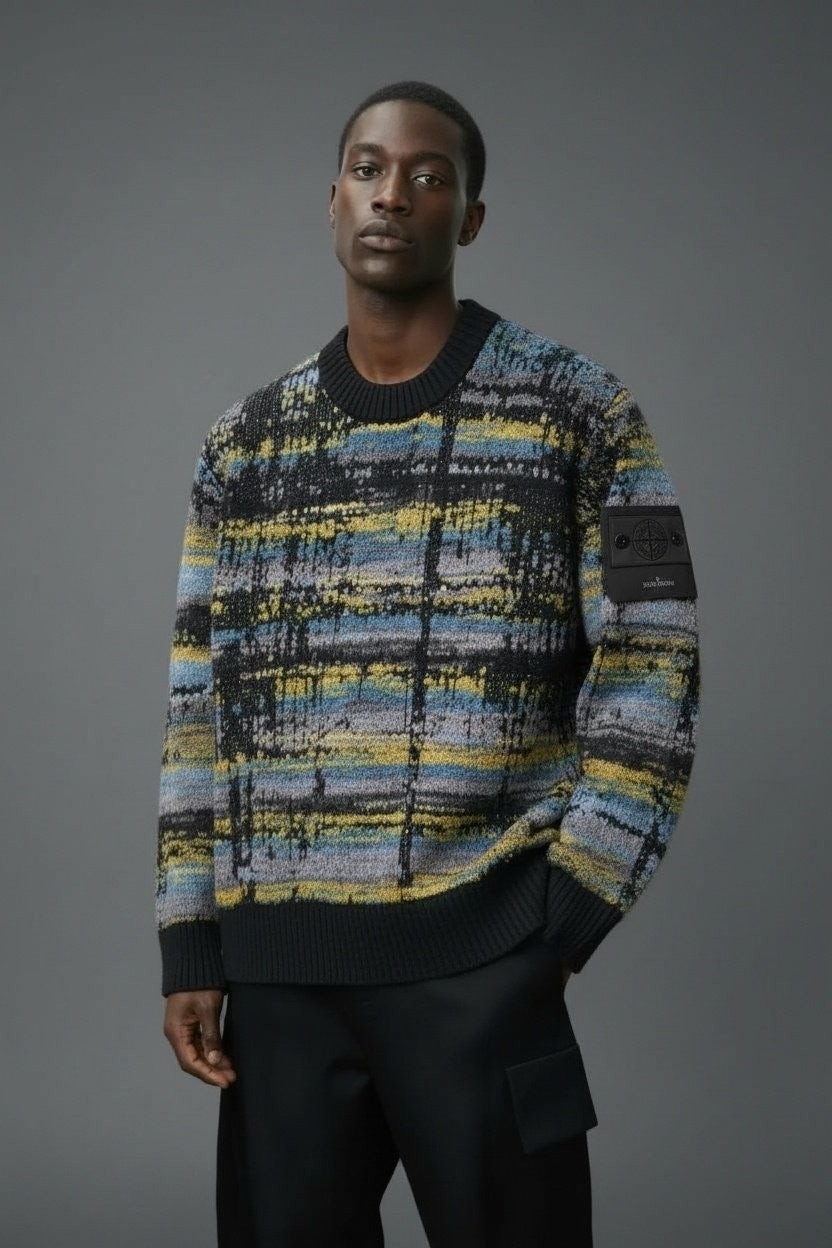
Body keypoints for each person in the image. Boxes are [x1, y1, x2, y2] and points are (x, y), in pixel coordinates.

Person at [156, 80, 700, 1247]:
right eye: (368, 168)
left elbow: (656, 656)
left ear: (471, 217)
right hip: (281, 980)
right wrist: (189, 939)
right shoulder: (242, 447)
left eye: (428, 174)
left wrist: (568, 912)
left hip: (486, 960)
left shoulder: (585, 411)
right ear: (332, 200)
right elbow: (199, 708)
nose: (392, 194)